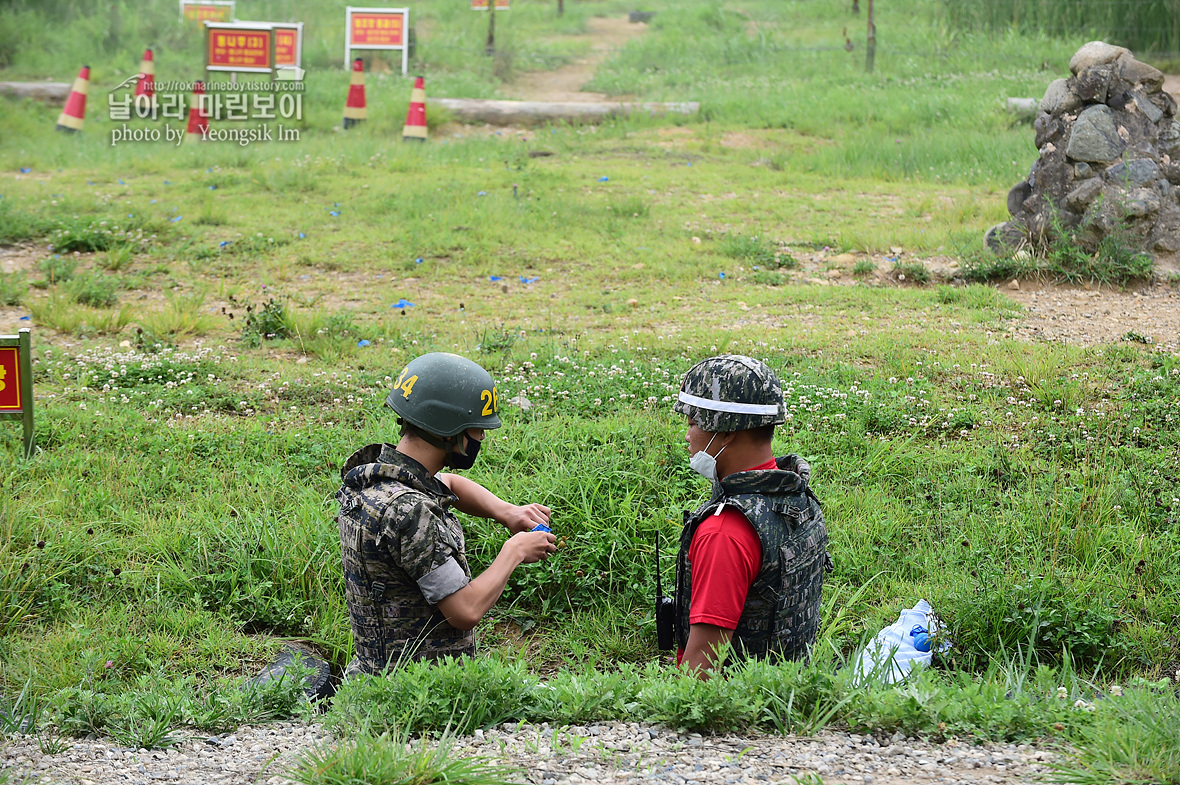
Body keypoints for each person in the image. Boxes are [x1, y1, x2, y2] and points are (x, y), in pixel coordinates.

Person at [337, 352, 557, 677]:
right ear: (448, 431)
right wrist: (514, 551)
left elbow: (448, 481)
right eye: (476, 430)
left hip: (375, 679)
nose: (481, 438)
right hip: (418, 695)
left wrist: (507, 512)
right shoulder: (409, 511)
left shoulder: (377, 479)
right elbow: (465, 611)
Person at [671, 354, 828, 677]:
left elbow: (702, 663)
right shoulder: (795, 496)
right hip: (785, 697)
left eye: (693, 423)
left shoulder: (725, 531)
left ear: (725, 430)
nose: (688, 436)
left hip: (734, 714)